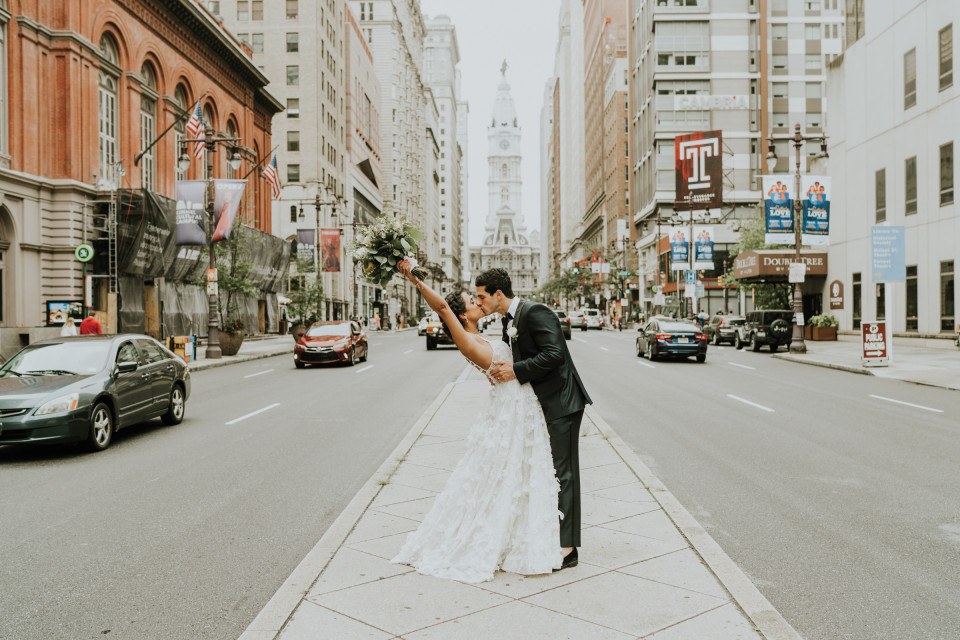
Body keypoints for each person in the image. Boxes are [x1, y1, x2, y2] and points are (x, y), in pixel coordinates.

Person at [391, 260, 562, 582]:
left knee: (518, 473)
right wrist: (415, 278)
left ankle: (516, 534)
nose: (477, 303)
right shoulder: (463, 336)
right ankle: (496, 537)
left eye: (478, 298)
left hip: (516, 405)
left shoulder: (484, 334)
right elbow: (442, 307)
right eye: (472, 302)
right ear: (461, 314)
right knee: (507, 471)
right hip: (510, 408)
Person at [478, 268, 592, 572]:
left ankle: (568, 549)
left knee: (564, 474)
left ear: (498, 295)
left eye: (481, 296)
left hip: (563, 403)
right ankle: (554, 535)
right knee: (552, 472)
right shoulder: (508, 321)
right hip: (543, 402)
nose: (479, 303)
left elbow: (555, 354)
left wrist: (516, 371)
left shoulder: (535, 311)